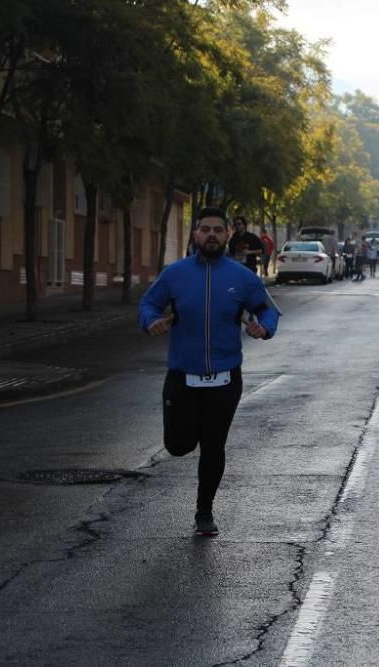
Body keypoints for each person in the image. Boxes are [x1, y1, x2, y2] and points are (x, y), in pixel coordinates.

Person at [139, 207, 280, 537]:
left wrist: (264, 328)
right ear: (195, 235)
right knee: (178, 445)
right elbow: (148, 304)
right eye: (205, 229)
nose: (212, 235)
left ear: (228, 234)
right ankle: (185, 443)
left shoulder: (242, 277)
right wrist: (151, 322)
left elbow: (266, 309)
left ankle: (204, 511)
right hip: (182, 376)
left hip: (225, 377)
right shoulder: (175, 274)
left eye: (218, 229)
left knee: (213, 445)